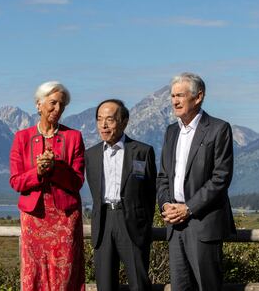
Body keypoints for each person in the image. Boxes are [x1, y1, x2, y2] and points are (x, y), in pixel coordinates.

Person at [157, 72, 236, 291]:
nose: (174, 101)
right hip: (175, 225)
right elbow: (163, 177)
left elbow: (221, 178)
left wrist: (189, 208)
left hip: (204, 224)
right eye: (172, 95)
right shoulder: (171, 132)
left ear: (198, 96)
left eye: (180, 95)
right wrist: (165, 206)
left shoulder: (219, 129)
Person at [9, 81, 85, 291]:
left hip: (65, 217)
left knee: (65, 276)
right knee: (35, 273)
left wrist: (55, 168)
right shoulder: (22, 138)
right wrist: (38, 173)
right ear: (39, 105)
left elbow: (77, 181)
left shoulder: (74, 137)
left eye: (62, 105)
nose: (57, 109)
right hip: (34, 217)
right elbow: (16, 181)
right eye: (53, 103)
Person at [85, 99, 157, 291]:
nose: (104, 125)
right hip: (103, 222)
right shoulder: (90, 155)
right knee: (105, 284)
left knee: (138, 283)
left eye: (110, 119)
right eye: (99, 119)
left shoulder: (142, 151)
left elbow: (151, 193)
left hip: (133, 223)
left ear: (124, 122)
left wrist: (144, 221)